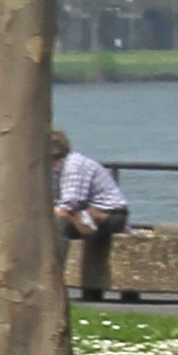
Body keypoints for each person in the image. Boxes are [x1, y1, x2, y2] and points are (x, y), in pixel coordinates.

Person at [52, 127, 132, 300]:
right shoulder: (57, 169)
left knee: (60, 224)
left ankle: (54, 277)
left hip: (108, 214)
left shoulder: (74, 166)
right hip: (85, 214)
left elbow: (71, 204)